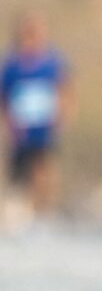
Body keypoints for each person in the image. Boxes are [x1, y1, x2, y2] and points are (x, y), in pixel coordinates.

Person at [1, 13, 72, 216]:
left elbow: (64, 88)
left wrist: (62, 116)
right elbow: (4, 95)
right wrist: (8, 123)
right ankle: (18, 211)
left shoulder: (52, 62)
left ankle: (44, 210)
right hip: (21, 127)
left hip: (45, 125)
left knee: (44, 168)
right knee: (18, 170)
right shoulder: (11, 64)